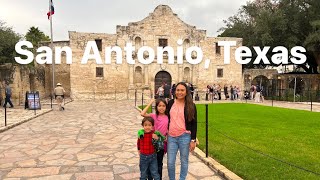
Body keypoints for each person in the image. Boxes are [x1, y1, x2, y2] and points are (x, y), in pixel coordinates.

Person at [166, 82, 197, 180]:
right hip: (171, 137)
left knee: (184, 161)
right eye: (178, 90)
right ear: (175, 91)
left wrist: (193, 140)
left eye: (182, 90)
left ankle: (182, 178)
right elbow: (167, 118)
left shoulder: (191, 105)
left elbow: (194, 123)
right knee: (170, 162)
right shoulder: (170, 103)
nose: (180, 92)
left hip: (185, 136)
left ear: (186, 92)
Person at [141, 98, 169, 180]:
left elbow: (169, 129)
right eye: (159, 106)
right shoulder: (153, 116)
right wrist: (150, 102)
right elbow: (142, 113)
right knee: (150, 163)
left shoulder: (168, 117)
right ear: (156, 107)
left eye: (163, 106)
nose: (161, 108)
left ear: (166, 107)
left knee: (159, 163)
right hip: (151, 143)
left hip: (161, 144)